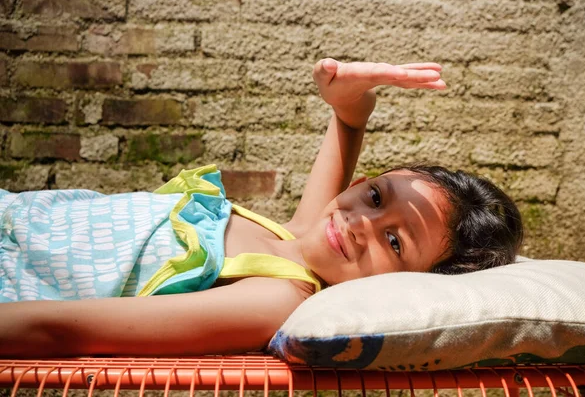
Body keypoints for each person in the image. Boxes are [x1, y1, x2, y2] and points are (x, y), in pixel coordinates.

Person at [0, 59, 523, 358]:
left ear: (410, 282)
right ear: (363, 183)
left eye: (394, 241)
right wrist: (353, 99)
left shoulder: (276, 297)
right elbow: (347, 125)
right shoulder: (295, 237)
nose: (362, 223)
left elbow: (66, 329)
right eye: (377, 197)